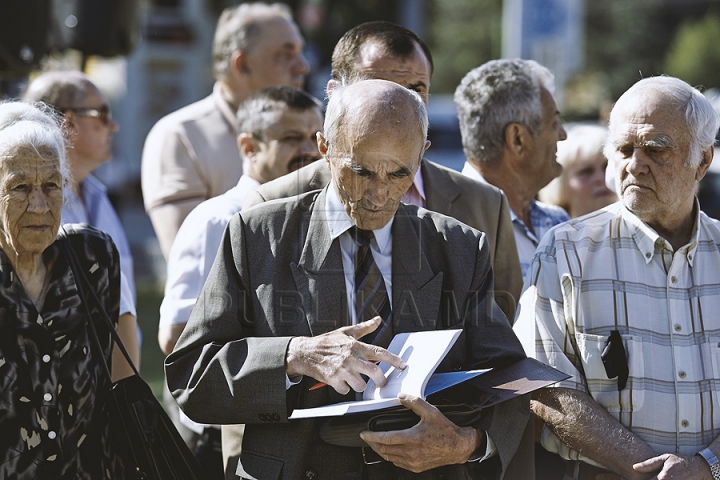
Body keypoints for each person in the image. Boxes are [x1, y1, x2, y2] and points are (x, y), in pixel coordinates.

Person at [166, 79, 528, 479]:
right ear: (324, 148)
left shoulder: (458, 247)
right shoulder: (259, 236)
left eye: (399, 174)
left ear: (422, 154)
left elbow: (509, 377)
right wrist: (294, 356)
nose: (378, 194)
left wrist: (467, 443)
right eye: (361, 171)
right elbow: (192, 377)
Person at [243, 21, 523, 325]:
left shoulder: (485, 206)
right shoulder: (269, 208)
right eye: (377, 87)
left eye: (416, 91)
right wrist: (292, 357)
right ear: (335, 93)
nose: (397, 104)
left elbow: (497, 338)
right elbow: (227, 347)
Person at [513, 76, 720, 479]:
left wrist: (707, 466)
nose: (635, 164)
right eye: (624, 149)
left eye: (656, 150)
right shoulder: (566, 251)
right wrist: (646, 468)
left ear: (703, 161)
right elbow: (543, 385)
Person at [0, 101, 138, 478]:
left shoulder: (93, 258)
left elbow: (116, 386)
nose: (40, 205)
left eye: (51, 185)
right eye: (20, 187)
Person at [159, 85, 323, 355]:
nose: (309, 151)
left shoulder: (316, 216)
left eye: (314, 138)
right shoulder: (217, 221)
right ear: (249, 147)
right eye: (292, 139)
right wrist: (288, 358)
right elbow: (179, 338)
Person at [141, 2, 309, 259]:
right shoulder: (180, 136)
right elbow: (194, 258)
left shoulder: (312, 130)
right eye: (285, 54)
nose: (302, 66)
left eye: (299, 52)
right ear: (241, 65)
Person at [23, 71, 139, 347]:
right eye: (101, 114)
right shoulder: (28, 207)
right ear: (69, 123)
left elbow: (123, 299)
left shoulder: (97, 195)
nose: (113, 126)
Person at [454, 59, 569, 278]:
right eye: (554, 123)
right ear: (517, 139)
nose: (563, 135)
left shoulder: (558, 222)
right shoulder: (449, 229)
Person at [538, 124, 617, 218]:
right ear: (560, 183)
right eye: (586, 172)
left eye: (607, 167)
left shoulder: (636, 229)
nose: (601, 178)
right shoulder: (548, 231)